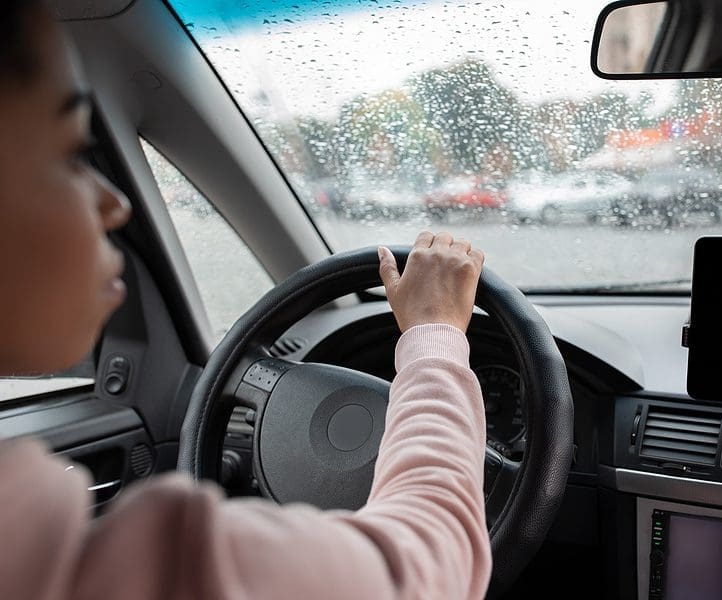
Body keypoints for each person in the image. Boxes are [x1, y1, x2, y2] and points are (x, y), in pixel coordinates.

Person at [0, 3, 491, 598]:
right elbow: (432, 560)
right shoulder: (139, 569)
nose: (115, 204)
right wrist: (436, 336)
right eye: (74, 153)